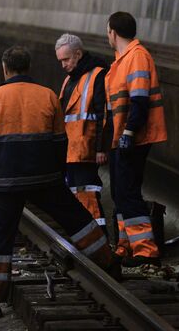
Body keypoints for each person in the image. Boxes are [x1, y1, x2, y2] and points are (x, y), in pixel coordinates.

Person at [0, 46, 118, 319]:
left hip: (5, 182)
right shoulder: (48, 95)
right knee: (77, 218)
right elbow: (61, 142)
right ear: (28, 68)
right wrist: (57, 175)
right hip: (45, 179)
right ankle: (109, 264)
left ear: (5, 68)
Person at [105, 12, 168, 267]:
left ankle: (145, 250)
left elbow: (139, 100)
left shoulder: (137, 57)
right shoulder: (123, 60)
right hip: (122, 136)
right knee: (120, 191)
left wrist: (129, 134)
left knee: (128, 191)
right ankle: (126, 245)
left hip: (134, 137)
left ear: (113, 32)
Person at [55, 33, 110, 236]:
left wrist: (100, 149)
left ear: (78, 54)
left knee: (87, 194)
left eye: (66, 59)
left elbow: (102, 115)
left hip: (85, 149)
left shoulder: (97, 75)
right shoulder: (70, 79)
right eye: (60, 60)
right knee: (77, 195)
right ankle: (87, 240)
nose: (63, 65)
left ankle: (99, 239)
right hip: (71, 150)